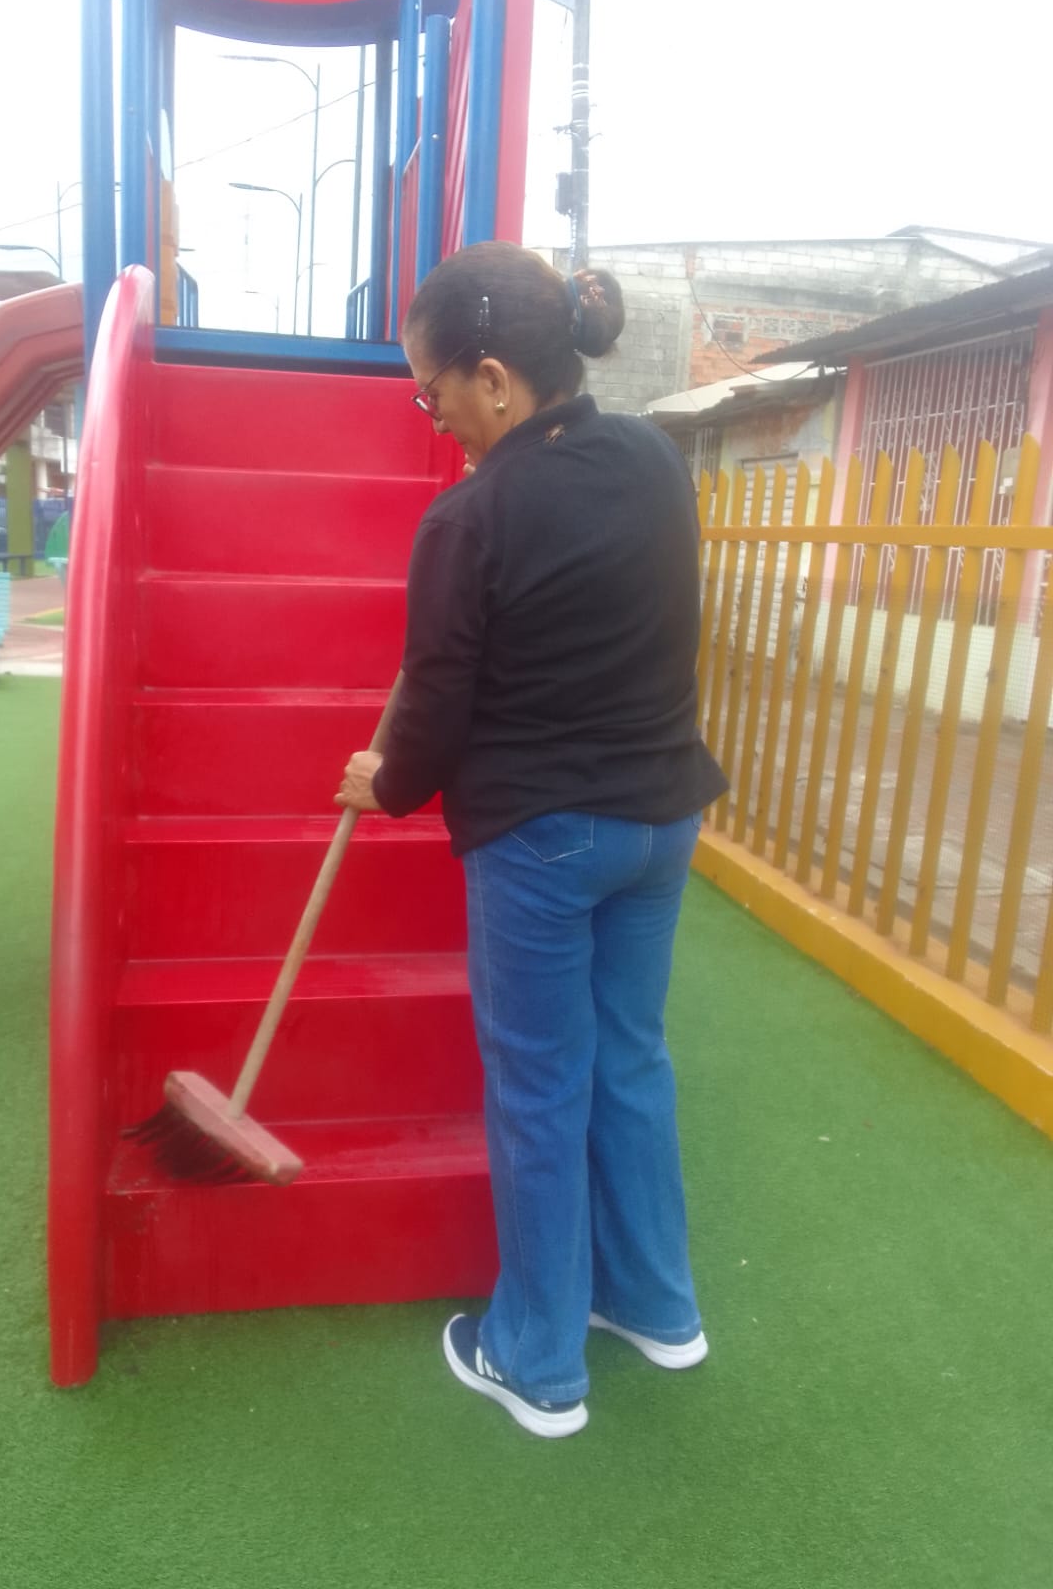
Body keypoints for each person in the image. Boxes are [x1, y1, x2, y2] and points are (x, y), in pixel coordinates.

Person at [335, 241, 728, 1439]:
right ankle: (656, 1307)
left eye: (433, 393)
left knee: (541, 1087)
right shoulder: (657, 462)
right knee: (631, 1060)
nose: (436, 415)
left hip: (547, 839)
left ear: (495, 379)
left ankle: (538, 1360)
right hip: (663, 821)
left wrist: (384, 781)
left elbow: (438, 707)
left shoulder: (471, 514)